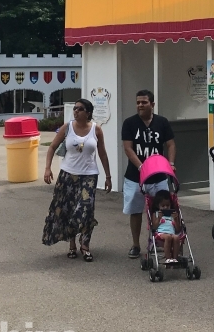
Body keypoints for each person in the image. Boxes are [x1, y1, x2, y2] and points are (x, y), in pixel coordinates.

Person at [42, 99, 112, 261]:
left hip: (89, 175)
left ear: (88, 112)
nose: (76, 111)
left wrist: (108, 176)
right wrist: (47, 168)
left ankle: (85, 245)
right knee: (68, 210)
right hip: (67, 174)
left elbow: (102, 154)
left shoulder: (96, 130)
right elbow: (52, 147)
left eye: (80, 109)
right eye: (74, 108)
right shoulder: (67, 128)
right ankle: (72, 244)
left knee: (86, 210)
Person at [121, 90, 176, 258]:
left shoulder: (162, 122)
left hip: (158, 176)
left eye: (144, 102)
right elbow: (128, 148)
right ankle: (136, 245)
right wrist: (141, 167)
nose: (140, 105)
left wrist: (171, 164)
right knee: (136, 210)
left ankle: (159, 241)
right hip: (135, 176)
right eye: (138, 102)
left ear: (152, 104)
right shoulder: (129, 123)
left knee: (162, 209)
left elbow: (171, 145)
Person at [151, 190, 181, 263]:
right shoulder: (156, 214)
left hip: (172, 233)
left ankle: (175, 259)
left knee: (176, 237)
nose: (165, 207)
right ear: (158, 206)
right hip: (160, 234)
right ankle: (168, 259)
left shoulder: (173, 215)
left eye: (167, 205)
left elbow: (178, 229)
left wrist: (176, 219)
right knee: (168, 237)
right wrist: (159, 218)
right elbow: (154, 227)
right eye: (163, 206)